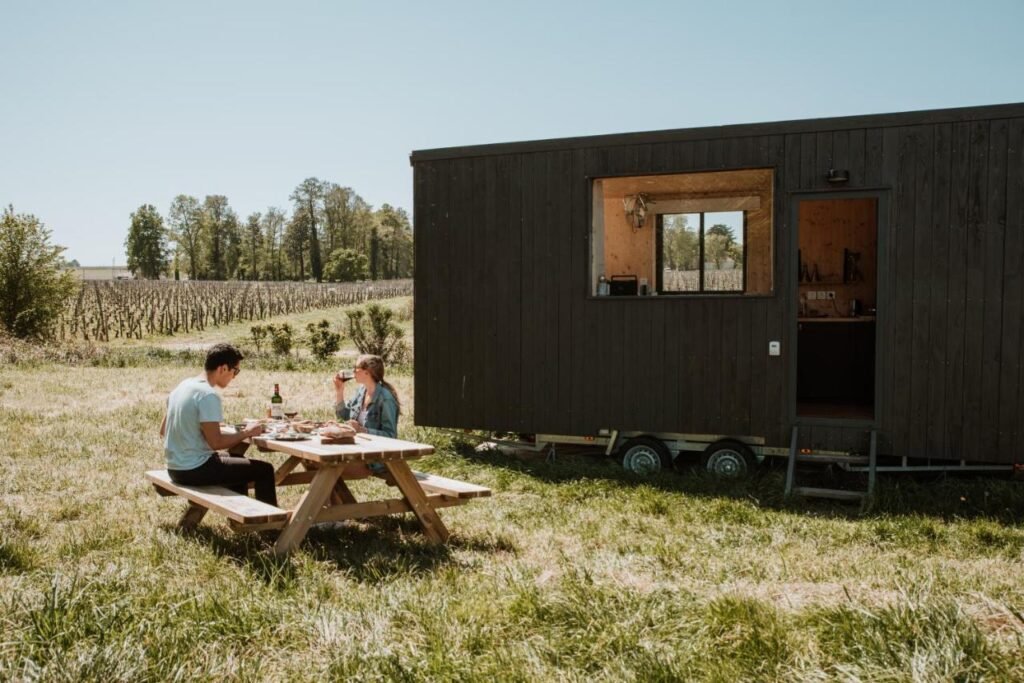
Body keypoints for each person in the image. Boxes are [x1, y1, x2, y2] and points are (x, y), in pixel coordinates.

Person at [159, 343, 278, 506]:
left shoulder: (183, 386)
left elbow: (164, 430)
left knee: (238, 462)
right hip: (194, 469)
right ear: (223, 368)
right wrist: (246, 432)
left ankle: (241, 514)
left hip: (174, 468)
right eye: (235, 371)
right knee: (265, 470)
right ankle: (269, 527)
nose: (234, 376)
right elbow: (216, 443)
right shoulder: (208, 394)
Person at [332, 354, 400, 438]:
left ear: (367, 372)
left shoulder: (386, 398)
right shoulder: (361, 391)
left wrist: (362, 430)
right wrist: (339, 392)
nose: (353, 371)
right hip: (358, 446)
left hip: (377, 449)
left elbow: (390, 435)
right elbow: (343, 418)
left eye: (356, 368)